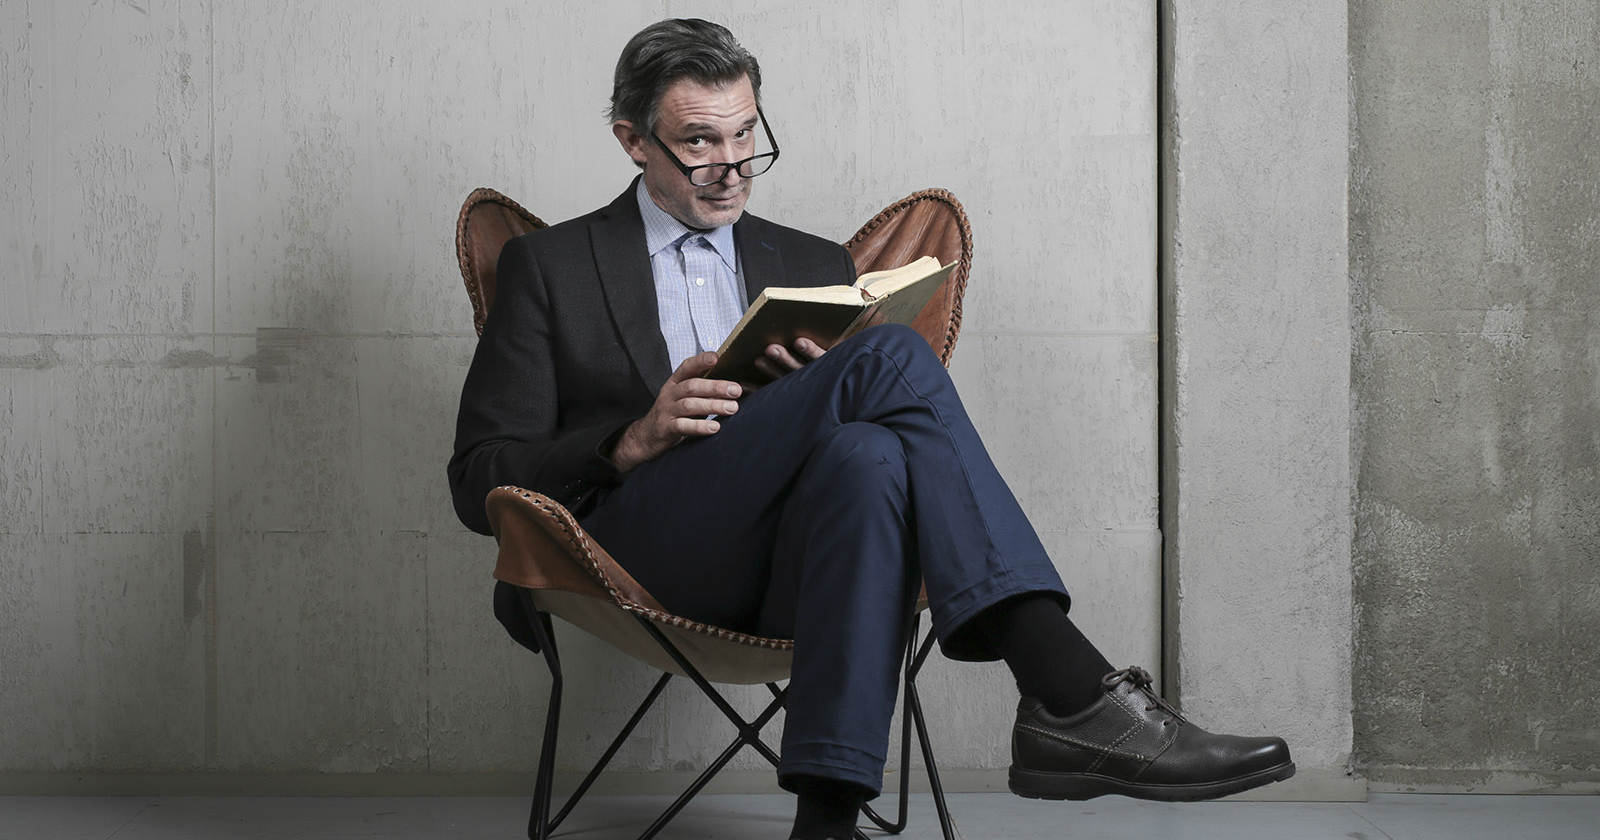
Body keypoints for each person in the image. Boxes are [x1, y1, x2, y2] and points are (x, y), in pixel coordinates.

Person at [449, 18, 1293, 840]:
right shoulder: (551, 266)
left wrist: (807, 397)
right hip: (630, 556)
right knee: (887, 357)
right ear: (633, 140)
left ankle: (826, 821)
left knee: (868, 453)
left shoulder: (811, 264)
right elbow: (477, 473)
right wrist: (632, 439)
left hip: (791, 558)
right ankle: (1066, 686)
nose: (732, 169)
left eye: (746, 136)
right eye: (699, 143)